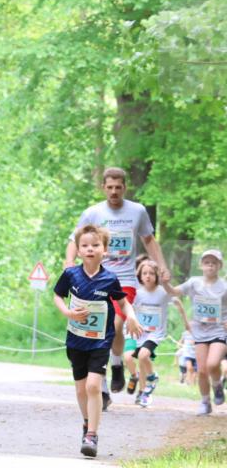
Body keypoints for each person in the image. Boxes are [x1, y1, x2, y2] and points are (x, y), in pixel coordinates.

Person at [64, 167, 171, 399]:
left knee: (114, 325)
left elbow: (149, 239)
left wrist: (161, 265)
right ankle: (101, 390)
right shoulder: (93, 212)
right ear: (103, 187)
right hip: (94, 277)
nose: (114, 192)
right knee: (95, 331)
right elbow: (74, 239)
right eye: (109, 187)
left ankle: (116, 364)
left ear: (125, 187)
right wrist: (69, 263)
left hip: (124, 279)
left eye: (118, 187)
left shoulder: (137, 211)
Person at [54, 224, 141, 458]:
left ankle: (92, 435)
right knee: (81, 389)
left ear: (104, 249)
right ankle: (86, 423)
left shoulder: (109, 279)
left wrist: (130, 316)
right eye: (85, 245)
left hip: (100, 341)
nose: (90, 249)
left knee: (94, 386)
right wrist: (68, 313)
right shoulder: (71, 274)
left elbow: (122, 302)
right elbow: (57, 295)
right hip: (76, 341)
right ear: (79, 250)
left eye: (95, 245)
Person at [161, 249, 227, 415]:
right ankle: (205, 402)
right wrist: (165, 283)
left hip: (219, 330)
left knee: (213, 364)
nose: (210, 266)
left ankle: (217, 384)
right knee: (202, 369)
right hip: (199, 331)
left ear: (219, 266)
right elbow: (173, 292)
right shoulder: (194, 283)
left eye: (213, 263)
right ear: (201, 265)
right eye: (207, 262)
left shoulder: (224, 286)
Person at [129, 259, 189, 407]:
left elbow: (178, 302)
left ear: (157, 276)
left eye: (151, 273)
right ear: (140, 276)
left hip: (155, 334)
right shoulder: (137, 293)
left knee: (143, 356)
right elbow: (128, 308)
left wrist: (186, 322)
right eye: (144, 273)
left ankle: (152, 377)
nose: (148, 276)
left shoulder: (163, 293)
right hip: (140, 333)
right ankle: (144, 393)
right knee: (142, 361)